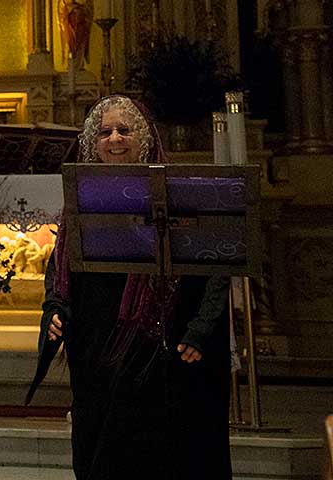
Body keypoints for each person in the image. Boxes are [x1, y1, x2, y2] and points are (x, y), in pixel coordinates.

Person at [30, 95, 232, 480]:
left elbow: (214, 268)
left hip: (158, 351)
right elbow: (61, 268)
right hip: (96, 350)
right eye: (104, 132)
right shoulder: (80, 195)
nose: (114, 139)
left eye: (125, 130)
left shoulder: (177, 191)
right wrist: (55, 307)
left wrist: (201, 328)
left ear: (145, 136)